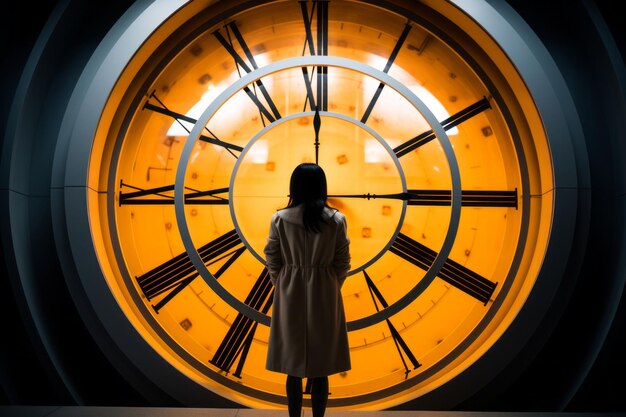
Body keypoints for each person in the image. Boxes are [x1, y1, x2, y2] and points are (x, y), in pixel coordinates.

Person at [264, 163, 351, 417]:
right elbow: (342, 261)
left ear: (295, 186)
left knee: (292, 364)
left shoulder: (280, 219)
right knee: (321, 366)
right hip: (325, 289)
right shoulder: (336, 220)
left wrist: (282, 282)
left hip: (289, 288)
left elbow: (272, 256)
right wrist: (331, 285)